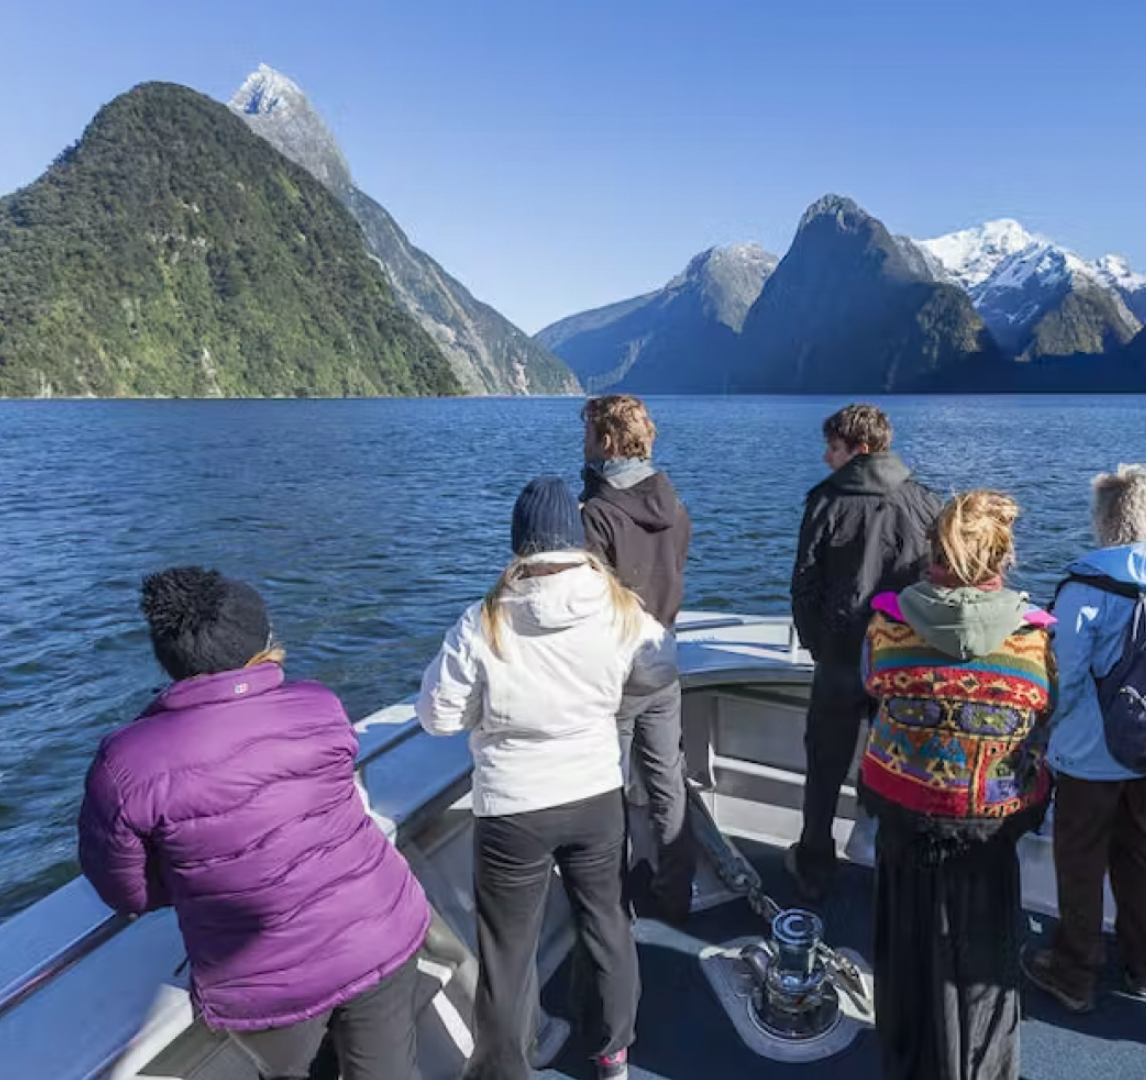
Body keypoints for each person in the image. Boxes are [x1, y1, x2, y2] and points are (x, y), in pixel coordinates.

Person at [78, 568, 430, 1080]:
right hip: (379, 930)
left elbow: (125, 891)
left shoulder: (124, 762)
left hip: (264, 982)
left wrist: (197, 872)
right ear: (262, 645)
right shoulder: (318, 705)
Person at [418, 476, 661, 1080]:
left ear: (520, 542)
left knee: (507, 954)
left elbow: (437, 716)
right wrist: (607, 693)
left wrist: (490, 714)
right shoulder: (619, 607)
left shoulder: (484, 620)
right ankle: (613, 1055)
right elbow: (658, 668)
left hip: (513, 808)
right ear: (575, 539)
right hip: (595, 794)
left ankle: (505, 1069)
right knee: (607, 923)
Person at [858, 490, 1056, 1080]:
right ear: (1003, 556)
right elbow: (1047, 710)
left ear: (934, 549)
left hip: (904, 807)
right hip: (991, 822)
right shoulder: (1036, 635)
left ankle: (908, 1056)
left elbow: (873, 688)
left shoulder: (888, 621)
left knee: (906, 946)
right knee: (985, 957)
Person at [1021, 463, 1146, 1010]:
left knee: (1080, 862)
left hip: (1090, 758)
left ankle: (1076, 970)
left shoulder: (1086, 586)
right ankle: (1143, 964)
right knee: (1145, 857)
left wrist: (1045, 737)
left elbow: (1065, 675)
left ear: (1104, 518)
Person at [788, 403, 943, 900]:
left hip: (838, 656)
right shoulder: (925, 502)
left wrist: (819, 644)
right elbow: (937, 580)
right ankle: (888, 864)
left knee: (825, 764)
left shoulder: (826, 502)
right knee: (897, 765)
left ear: (862, 448)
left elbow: (804, 585)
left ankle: (815, 863)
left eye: (834, 447)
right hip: (901, 659)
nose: (827, 457)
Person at [579, 394, 697, 923]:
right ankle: (676, 894)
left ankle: (617, 903)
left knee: (608, 788)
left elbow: (586, 604)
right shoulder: (674, 506)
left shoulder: (595, 516)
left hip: (614, 674)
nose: (582, 444)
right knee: (667, 781)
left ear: (606, 442)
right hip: (662, 660)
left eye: (587, 435)